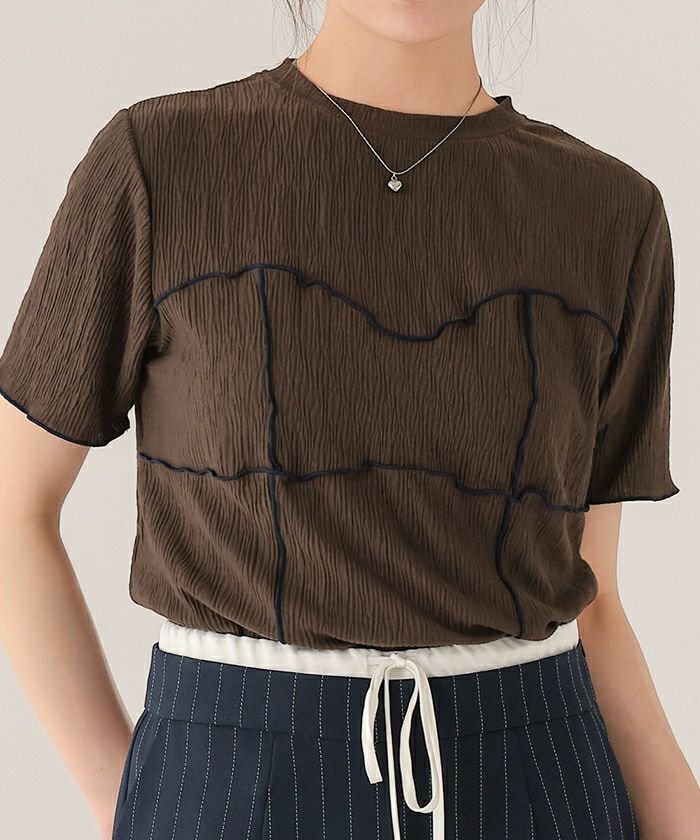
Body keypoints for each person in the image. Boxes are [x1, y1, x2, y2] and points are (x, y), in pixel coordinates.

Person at [1, 1, 698, 838]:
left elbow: (596, 597)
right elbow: (15, 510)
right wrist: (136, 804)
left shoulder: (611, 214)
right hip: (231, 783)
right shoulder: (158, 163)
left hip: (538, 782)